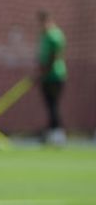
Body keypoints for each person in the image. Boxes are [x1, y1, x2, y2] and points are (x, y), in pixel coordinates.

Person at [34, 10, 67, 146]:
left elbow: (55, 56)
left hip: (55, 76)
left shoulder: (55, 35)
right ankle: (52, 134)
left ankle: (58, 135)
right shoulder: (43, 36)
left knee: (53, 105)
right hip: (46, 77)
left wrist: (44, 72)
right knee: (49, 105)